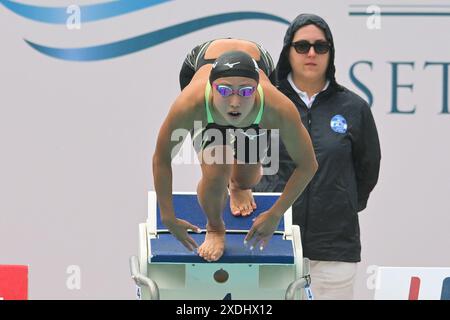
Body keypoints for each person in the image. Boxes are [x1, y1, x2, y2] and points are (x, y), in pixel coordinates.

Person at [152, 39, 318, 262]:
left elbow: (308, 165)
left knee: (248, 178)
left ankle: (239, 186)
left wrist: (275, 214)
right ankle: (215, 227)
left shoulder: (276, 108)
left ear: (257, 90)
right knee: (215, 172)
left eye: (246, 91)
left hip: (259, 59)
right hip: (201, 62)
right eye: (224, 90)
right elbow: (162, 158)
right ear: (212, 88)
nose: (235, 102)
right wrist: (168, 216)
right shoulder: (191, 104)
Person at [254, 15, 381, 299]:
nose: (311, 53)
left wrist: (342, 201)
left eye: (320, 47)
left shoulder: (354, 108)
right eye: (302, 46)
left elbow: (368, 169)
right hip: (271, 244)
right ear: (288, 50)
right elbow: (243, 167)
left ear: (330, 52)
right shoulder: (263, 103)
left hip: (334, 249)